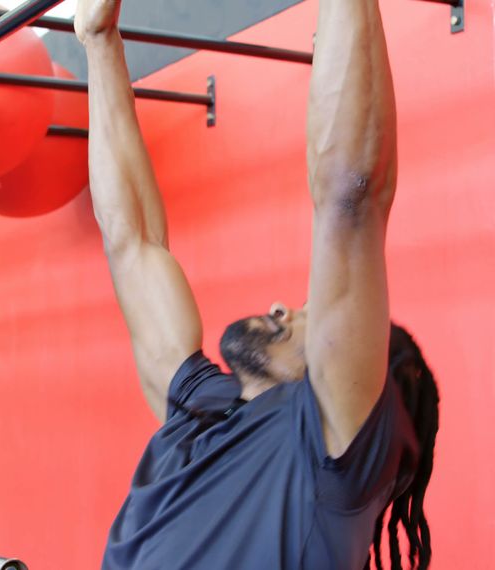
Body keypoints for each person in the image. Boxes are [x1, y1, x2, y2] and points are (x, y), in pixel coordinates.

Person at [74, 0, 440, 568]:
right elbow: (133, 241)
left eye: (306, 317)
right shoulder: (200, 409)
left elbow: (352, 197)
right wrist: (99, 41)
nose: (279, 309)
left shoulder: (327, 464)